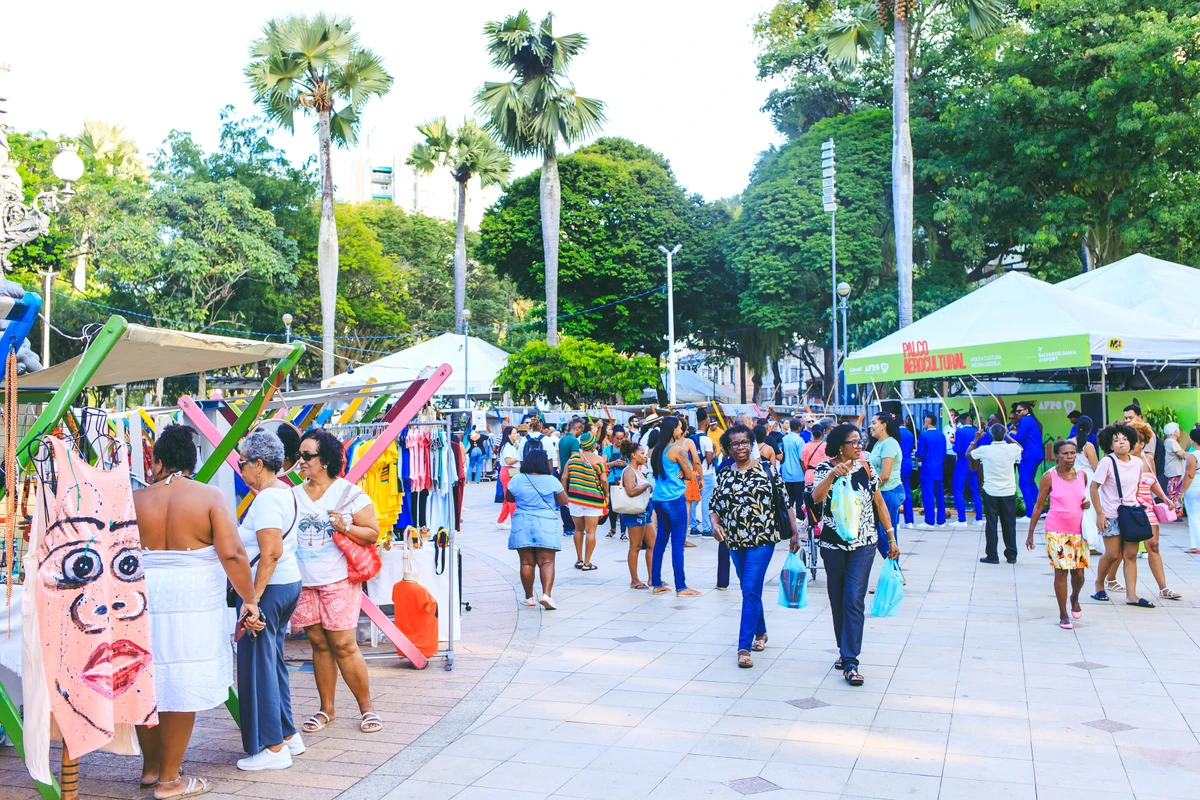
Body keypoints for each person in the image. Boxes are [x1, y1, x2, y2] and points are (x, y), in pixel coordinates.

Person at [134, 424, 263, 799]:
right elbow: (234, 553)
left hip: (143, 601)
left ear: (157, 461)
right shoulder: (210, 496)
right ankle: (169, 780)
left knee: (149, 682)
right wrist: (249, 599)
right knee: (181, 686)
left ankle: (152, 767)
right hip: (191, 603)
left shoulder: (136, 499)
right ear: (192, 462)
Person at [291, 429, 383, 735]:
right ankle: (326, 709)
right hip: (303, 583)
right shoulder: (292, 495)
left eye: (307, 456)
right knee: (318, 644)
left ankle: (366, 707)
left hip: (338, 581)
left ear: (326, 459)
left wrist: (344, 527)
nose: (300, 461)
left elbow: (372, 533)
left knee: (344, 644)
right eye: (299, 455)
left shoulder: (349, 494)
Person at [234, 431, 304, 771]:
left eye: (242, 463)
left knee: (259, 665)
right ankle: (288, 735)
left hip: (270, 588)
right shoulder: (284, 492)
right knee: (272, 661)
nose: (240, 470)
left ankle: (274, 748)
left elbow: (270, 551)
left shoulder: (265, 499)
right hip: (286, 584)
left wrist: (253, 599)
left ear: (258, 464)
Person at [809, 423, 899, 686]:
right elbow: (816, 498)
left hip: (864, 544)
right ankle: (844, 649)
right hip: (833, 545)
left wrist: (891, 537)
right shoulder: (825, 468)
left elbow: (879, 502)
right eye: (854, 442)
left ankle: (851, 661)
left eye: (861, 442)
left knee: (853, 599)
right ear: (840, 446)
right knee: (837, 599)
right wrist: (832, 476)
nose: (860, 446)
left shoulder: (866, 467)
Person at [710, 424, 799, 669]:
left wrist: (794, 533)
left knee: (750, 588)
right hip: (734, 540)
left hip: (762, 539)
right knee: (749, 588)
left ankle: (743, 647)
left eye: (744, 442)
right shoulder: (725, 473)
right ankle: (761, 632)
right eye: (734, 444)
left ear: (752, 444)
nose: (740, 447)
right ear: (728, 448)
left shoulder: (768, 469)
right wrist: (714, 525)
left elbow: (786, 502)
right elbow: (714, 506)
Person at [1025, 440, 1090, 629]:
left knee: (1079, 574)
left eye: (1072, 453)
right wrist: (1030, 533)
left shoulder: (1082, 475)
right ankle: (1063, 613)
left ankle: (1074, 597)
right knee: (1061, 572)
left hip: (1079, 530)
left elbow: (1083, 499)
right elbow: (1039, 506)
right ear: (1057, 456)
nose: (1069, 457)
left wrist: (1087, 504)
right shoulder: (1049, 477)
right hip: (1056, 531)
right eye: (1065, 454)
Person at [1089, 423, 1153, 607]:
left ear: (1132, 442)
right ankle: (1099, 584)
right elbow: (1094, 487)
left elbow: (1138, 486)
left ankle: (1131, 595)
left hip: (1131, 513)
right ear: (1110, 445)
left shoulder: (1137, 463)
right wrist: (1100, 514)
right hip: (1111, 515)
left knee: (1131, 555)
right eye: (1116, 440)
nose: (1121, 443)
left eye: (1125, 439)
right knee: (1112, 554)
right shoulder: (1107, 462)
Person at [1128, 421, 1182, 601]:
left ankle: (1163, 587)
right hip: (1129, 510)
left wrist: (1166, 498)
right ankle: (1108, 580)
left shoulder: (1148, 459)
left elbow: (1154, 482)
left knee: (1154, 546)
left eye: (1134, 441)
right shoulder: (1121, 461)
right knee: (1123, 552)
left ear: (1142, 444)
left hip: (1148, 508)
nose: (1128, 444)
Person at [505, 448, 565, 609]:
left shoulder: (517, 479)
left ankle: (529, 597)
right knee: (547, 561)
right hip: (545, 521)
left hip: (522, 521)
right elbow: (563, 500)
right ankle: (546, 595)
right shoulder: (552, 480)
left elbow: (509, 498)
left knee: (526, 563)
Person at [650, 417, 700, 596]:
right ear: (673, 430)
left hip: (659, 499)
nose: (681, 431)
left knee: (660, 542)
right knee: (678, 544)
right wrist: (682, 471)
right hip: (675, 498)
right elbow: (689, 474)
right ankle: (681, 586)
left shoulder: (656, 450)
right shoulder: (676, 450)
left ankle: (656, 583)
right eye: (679, 428)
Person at [968, 423, 1023, 564]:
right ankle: (1011, 555)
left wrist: (975, 439)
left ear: (990, 435)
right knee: (1009, 523)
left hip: (991, 491)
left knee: (992, 523)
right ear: (1004, 434)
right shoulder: (1011, 448)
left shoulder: (985, 449)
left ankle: (992, 555)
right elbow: (1020, 448)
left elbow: (968, 454)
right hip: (1008, 491)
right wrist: (1008, 436)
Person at [564, 432, 608, 571]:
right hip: (593, 501)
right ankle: (587, 563)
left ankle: (579, 560)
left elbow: (564, 477)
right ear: (593, 444)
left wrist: (566, 495)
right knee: (591, 532)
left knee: (578, 529)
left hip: (575, 500)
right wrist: (606, 496)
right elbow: (604, 480)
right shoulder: (599, 460)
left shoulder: (572, 459)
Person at [867, 412, 904, 559]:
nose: (871, 426)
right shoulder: (878, 443)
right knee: (881, 534)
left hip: (890, 492)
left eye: (874, 422)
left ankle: (895, 572)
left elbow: (885, 475)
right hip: (881, 491)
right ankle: (894, 570)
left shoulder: (889, 444)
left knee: (887, 535)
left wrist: (869, 489)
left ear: (884, 425)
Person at [619, 440, 656, 588]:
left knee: (652, 544)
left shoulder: (638, 470)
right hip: (635, 512)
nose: (645, 456)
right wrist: (646, 485)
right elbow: (631, 491)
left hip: (644, 511)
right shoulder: (629, 471)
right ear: (633, 455)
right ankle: (634, 580)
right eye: (642, 454)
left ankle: (653, 577)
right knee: (635, 545)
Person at [951, 411, 983, 525]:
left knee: (958, 491)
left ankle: (962, 519)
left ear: (962, 421)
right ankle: (979, 518)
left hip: (962, 465)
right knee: (976, 492)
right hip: (974, 465)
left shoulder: (960, 432)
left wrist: (952, 444)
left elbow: (957, 449)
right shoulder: (976, 432)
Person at [915, 414, 947, 527]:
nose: (924, 423)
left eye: (924, 421)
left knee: (928, 495)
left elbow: (920, 453)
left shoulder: (923, 435)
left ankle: (929, 520)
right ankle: (941, 519)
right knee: (939, 495)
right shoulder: (941, 435)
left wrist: (915, 453)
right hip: (939, 468)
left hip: (927, 468)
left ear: (928, 422)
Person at [1013, 401, 1043, 518]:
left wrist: (1008, 434)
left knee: (1024, 483)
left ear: (1026, 410)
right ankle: (1041, 511)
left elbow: (1019, 437)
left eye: (1019, 411)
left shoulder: (1025, 420)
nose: (1017, 414)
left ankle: (1030, 513)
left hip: (1029, 455)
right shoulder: (1033, 420)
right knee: (1030, 482)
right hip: (1037, 454)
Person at [691, 412, 717, 537]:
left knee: (693, 501)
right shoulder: (706, 439)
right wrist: (716, 451)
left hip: (692, 474)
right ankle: (706, 529)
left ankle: (693, 527)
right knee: (706, 501)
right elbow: (710, 459)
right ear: (706, 422)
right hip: (706, 473)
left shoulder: (690, 438)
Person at [558, 419, 584, 537]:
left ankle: (566, 527)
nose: (581, 433)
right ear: (577, 428)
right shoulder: (574, 441)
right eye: (581, 430)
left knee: (564, 501)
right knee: (573, 502)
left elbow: (559, 457)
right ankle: (572, 526)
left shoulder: (562, 439)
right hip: (571, 475)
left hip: (562, 473)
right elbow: (573, 459)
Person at [603, 426, 628, 539]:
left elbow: (633, 464)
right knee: (612, 507)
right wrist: (614, 463)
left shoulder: (627, 450)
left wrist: (625, 464)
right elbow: (602, 464)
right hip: (611, 481)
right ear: (613, 438)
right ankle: (613, 528)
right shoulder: (608, 450)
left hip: (624, 480)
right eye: (617, 438)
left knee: (623, 507)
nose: (619, 441)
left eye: (621, 438)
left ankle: (623, 532)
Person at [780, 417, 807, 519]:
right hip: (798, 474)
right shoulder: (799, 440)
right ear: (799, 428)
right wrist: (805, 472)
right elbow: (801, 458)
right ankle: (800, 519)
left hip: (786, 473)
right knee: (799, 499)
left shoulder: (784, 438)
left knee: (789, 500)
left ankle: (787, 519)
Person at [1180, 426, 1200, 553]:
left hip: (1195, 486)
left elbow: (1189, 475)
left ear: (1193, 441)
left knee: (1194, 515)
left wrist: (1181, 492)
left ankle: (1196, 545)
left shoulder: (1193, 455)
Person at [496, 425, 521, 523]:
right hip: (508, 472)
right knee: (511, 497)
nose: (516, 435)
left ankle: (500, 521)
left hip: (511, 472)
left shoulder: (510, 445)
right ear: (509, 435)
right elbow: (508, 460)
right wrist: (519, 457)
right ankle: (514, 521)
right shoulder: (506, 446)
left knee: (508, 498)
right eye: (514, 433)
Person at [1163, 422, 1187, 503]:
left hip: (1171, 470)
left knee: (1172, 491)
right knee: (1175, 492)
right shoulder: (1172, 441)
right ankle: (1175, 511)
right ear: (1175, 432)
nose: (1179, 432)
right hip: (1175, 471)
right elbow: (1181, 454)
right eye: (1178, 430)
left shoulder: (1167, 441)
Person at [898, 418, 916, 527]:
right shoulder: (910, 434)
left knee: (895, 493)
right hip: (907, 464)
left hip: (897, 465)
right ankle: (909, 521)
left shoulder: (895, 434)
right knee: (907, 493)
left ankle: (896, 523)